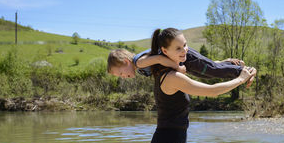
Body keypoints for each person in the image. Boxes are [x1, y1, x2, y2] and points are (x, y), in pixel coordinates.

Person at [81, 28, 256, 143]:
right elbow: (212, 91)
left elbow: (200, 67)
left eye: (184, 46)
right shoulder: (170, 77)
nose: (184, 51)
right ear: (165, 52)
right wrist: (240, 79)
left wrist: (223, 64)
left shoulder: (172, 69)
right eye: (178, 49)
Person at [107, 42, 255, 87]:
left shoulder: (139, 62)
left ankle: (242, 71)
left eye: (121, 73)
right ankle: (228, 63)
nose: (123, 77)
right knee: (208, 71)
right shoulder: (140, 68)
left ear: (126, 62)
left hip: (185, 58)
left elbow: (159, 59)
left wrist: (177, 68)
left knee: (212, 71)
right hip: (186, 62)